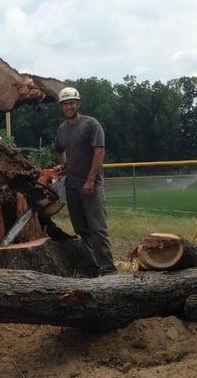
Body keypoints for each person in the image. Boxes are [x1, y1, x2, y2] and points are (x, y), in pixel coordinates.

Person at [54, 87, 116, 276]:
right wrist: (63, 165)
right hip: (71, 186)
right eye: (65, 104)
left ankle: (108, 269)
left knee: (97, 228)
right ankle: (93, 266)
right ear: (61, 107)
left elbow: (99, 152)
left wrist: (90, 180)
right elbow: (57, 149)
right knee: (81, 228)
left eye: (72, 102)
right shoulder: (62, 129)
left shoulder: (90, 125)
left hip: (91, 185)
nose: (68, 106)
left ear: (78, 103)